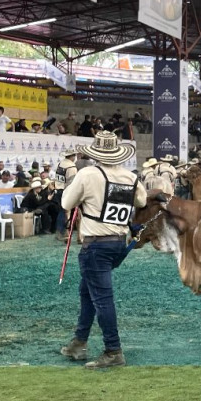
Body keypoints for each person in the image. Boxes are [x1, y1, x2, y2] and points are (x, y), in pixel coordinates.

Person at [59, 131, 147, 369]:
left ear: (96, 153)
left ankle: (113, 350)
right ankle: (79, 342)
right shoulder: (129, 176)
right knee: (88, 292)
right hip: (118, 243)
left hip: (95, 244)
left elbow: (66, 203)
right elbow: (141, 201)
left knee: (102, 298)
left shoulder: (87, 174)